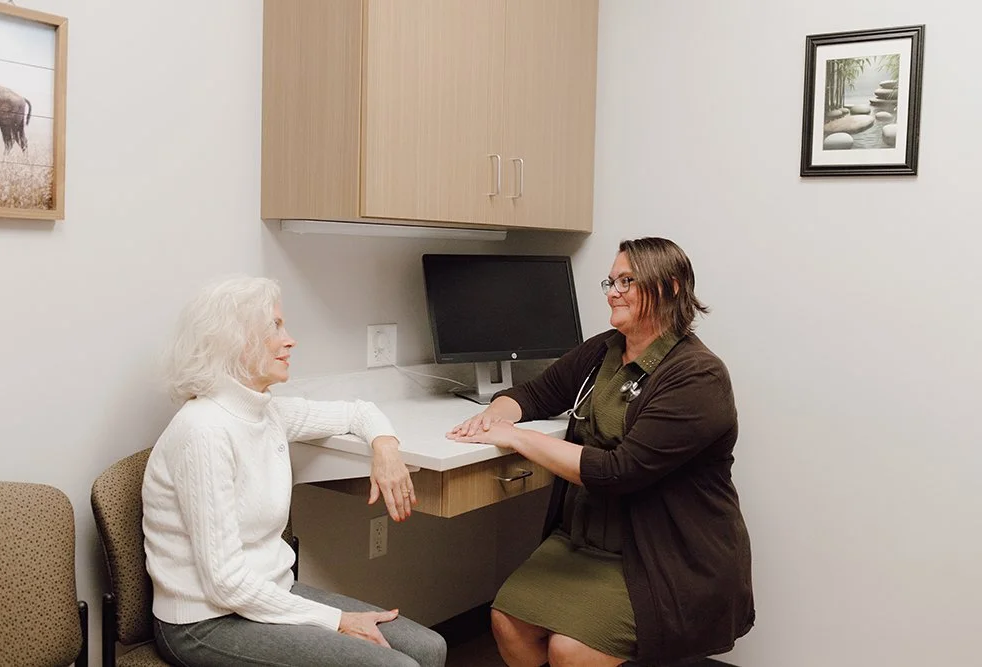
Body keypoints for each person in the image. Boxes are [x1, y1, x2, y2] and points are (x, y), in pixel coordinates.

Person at [448, 238, 754, 667]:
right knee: (507, 621)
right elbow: (538, 393)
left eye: (627, 281)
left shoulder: (697, 376)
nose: (613, 291)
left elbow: (618, 472)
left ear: (668, 289)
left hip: (658, 553)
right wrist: (496, 415)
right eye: (611, 281)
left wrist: (518, 439)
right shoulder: (605, 349)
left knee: (570, 650)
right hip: (584, 538)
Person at [142, 276, 446, 667]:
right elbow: (224, 582)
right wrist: (336, 620)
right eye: (276, 327)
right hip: (204, 623)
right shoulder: (203, 430)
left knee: (429, 649)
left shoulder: (266, 411)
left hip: (269, 594)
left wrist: (385, 447)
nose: (290, 340)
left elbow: (358, 412)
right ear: (235, 341)